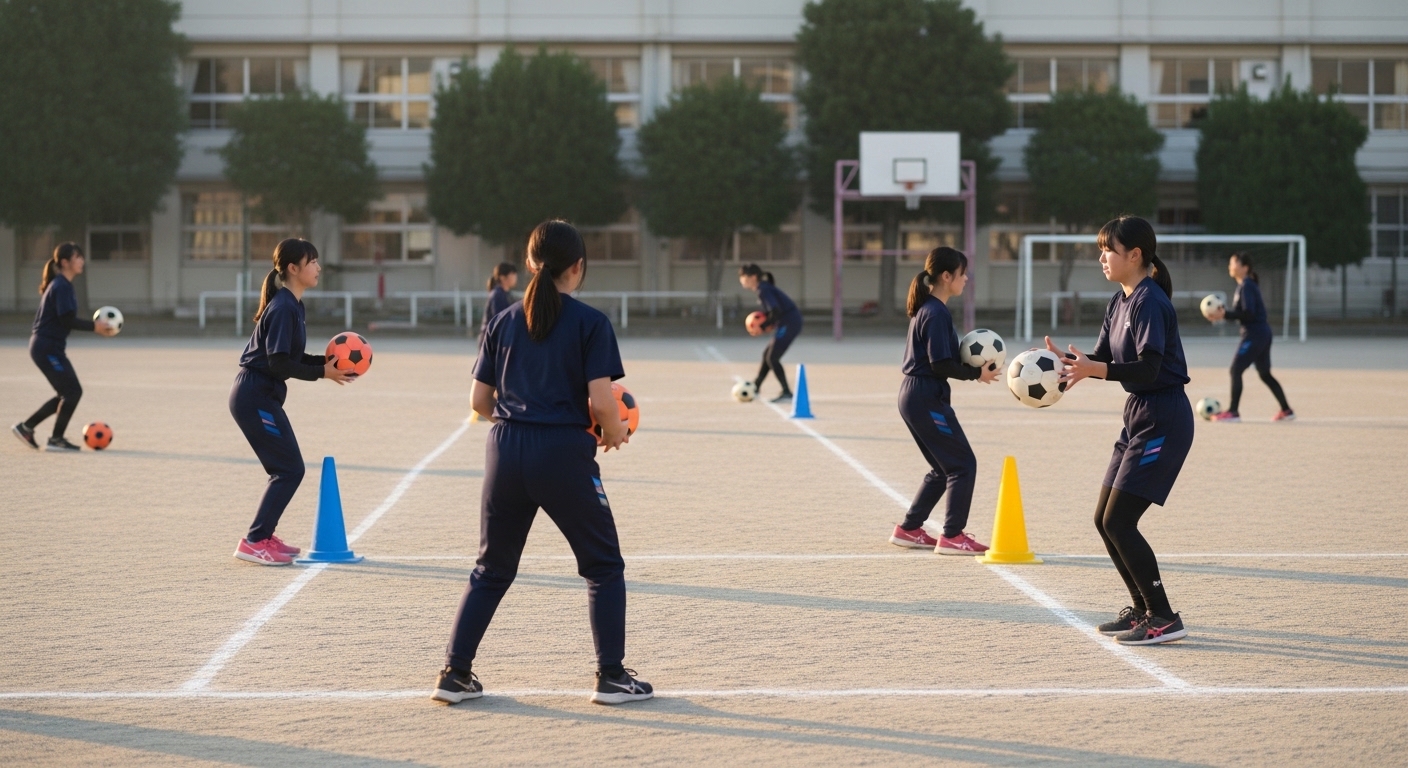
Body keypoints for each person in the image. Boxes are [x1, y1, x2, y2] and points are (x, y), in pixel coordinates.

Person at [433, 220, 650, 706]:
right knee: (602, 565)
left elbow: (480, 400)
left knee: (491, 568)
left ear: (531, 264)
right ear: (578, 267)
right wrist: (613, 429)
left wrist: (519, 422)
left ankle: (454, 674)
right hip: (561, 453)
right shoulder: (591, 323)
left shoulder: (502, 320)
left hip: (505, 447)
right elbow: (601, 401)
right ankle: (611, 677)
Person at [1046, 215, 1192, 645]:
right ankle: (1143, 610)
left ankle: (1164, 616)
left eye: (1108, 249)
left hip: (1164, 415)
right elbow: (1103, 356)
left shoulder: (1150, 301)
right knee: (1103, 519)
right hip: (1138, 413)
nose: (1101, 257)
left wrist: (1097, 369)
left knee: (1120, 520)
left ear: (1135, 255)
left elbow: (1148, 367)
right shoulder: (1120, 300)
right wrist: (1068, 366)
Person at [228, 239, 356, 566]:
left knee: (285, 469)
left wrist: (331, 364)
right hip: (254, 393)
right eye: (311, 261)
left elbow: (292, 357)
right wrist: (322, 373)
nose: (318, 267)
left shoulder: (293, 305)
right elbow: (278, 364)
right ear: (292, 269)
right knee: (289, 469)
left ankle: (262, 535)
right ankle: (255, 541)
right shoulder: (284, 307)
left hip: (262, 393)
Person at [890, 247, 999, 554]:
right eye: (962, 274)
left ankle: (909, 529)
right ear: (946, 276)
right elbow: (940, 364)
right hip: (924, 396)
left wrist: (973, 371)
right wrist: (976, 373)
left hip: (915, 394)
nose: (966, 279)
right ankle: (953, 535)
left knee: (943, 467)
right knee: (963, 464)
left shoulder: (930, 309)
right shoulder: (935, 312)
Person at [12, 243, 118, 452]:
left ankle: (27, 428)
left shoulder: (63, 285)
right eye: (77, 257)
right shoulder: (61, 286)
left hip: (49, 346)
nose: (81, 261)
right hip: (46, 347)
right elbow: (67, 319)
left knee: (67, 392)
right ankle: (55, 439)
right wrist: (95, 327)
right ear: (65, 262)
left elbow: (65, 319)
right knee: (72, 391)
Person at [1206, 253, 1293, 422]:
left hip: (1255, 334)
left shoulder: (1247, 285)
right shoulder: (1245, 285)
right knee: (1264, 374)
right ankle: (1286, 410)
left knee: (1235, 370)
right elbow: (1244, 314)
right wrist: (1224, 315)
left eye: (1233, 263)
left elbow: (1249, 313)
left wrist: (1225, 314)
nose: (1230, 266)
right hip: (1261, 333)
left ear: (1244, 267)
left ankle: (1233, 412)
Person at [739, 264, 803, 403]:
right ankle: (756, 386)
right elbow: (774, 311)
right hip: (786, 322)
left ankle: (786, 392)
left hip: (790, 323)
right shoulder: (763, 288)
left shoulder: (763, 289)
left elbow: (776, 310)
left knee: (772, 357)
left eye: (743, 276)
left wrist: (762, 326)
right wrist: (769, 323)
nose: (741, 280)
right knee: (767, 355)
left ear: (753, 277)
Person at [480, 261, 518, 342]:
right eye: (513, 274)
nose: (515, 277)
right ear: (502, 277)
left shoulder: (506, 294)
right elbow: (500, 320)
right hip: (492, 341)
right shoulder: (497, 295)